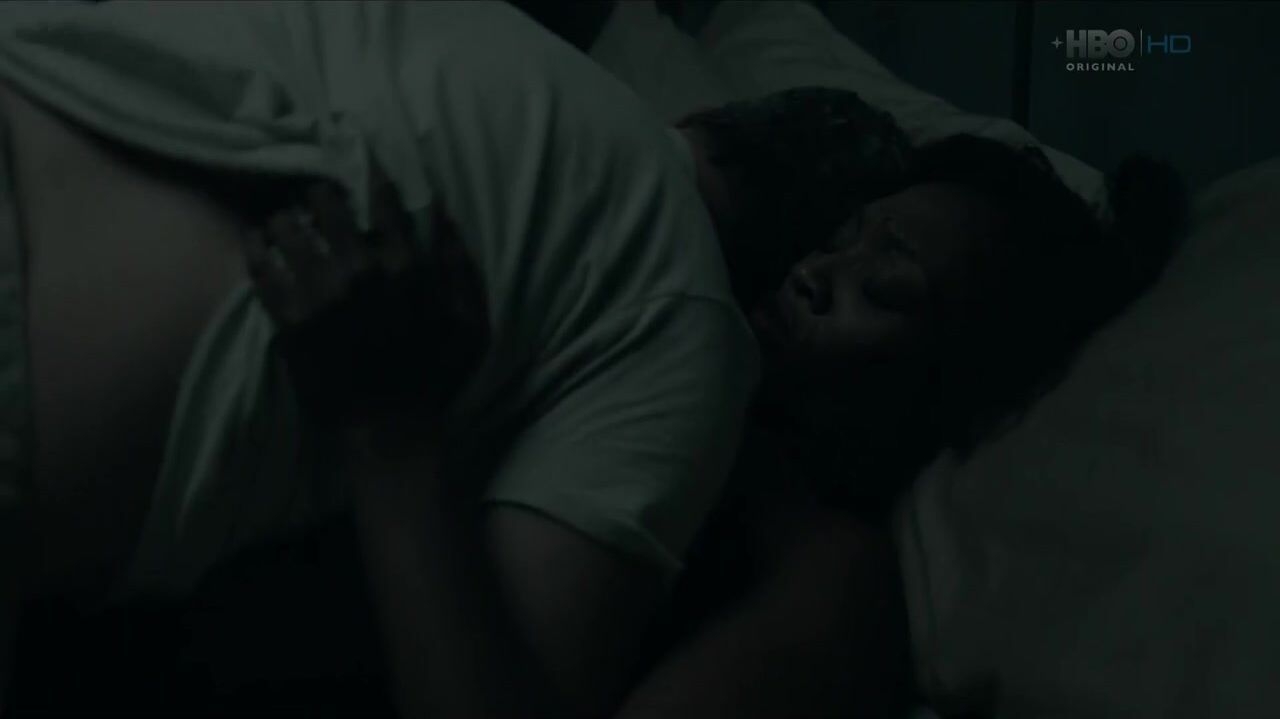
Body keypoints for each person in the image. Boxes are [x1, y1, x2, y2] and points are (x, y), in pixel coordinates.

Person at [0, 2, 910, 715]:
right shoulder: (690, 312)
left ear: (705, 117)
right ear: (791, 268)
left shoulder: (479, 27)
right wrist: (395, 437)